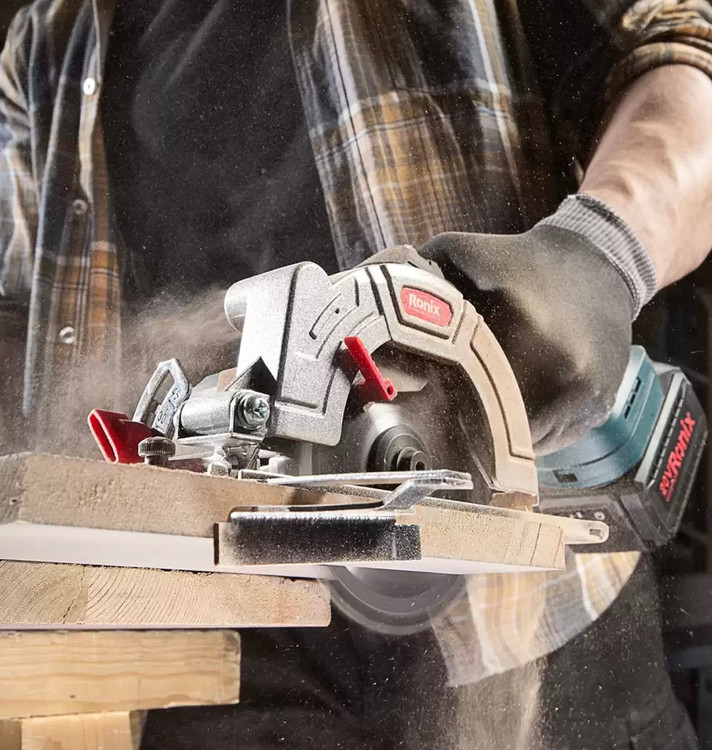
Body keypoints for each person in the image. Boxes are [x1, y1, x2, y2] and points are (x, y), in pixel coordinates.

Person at [1, 1, 712, 747]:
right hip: (215, 625)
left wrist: (601, 250)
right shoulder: (46, 43)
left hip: (526, 603)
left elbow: (686, 49)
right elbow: (25, 320)